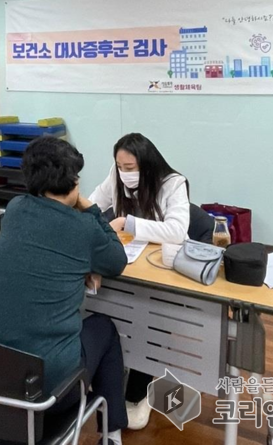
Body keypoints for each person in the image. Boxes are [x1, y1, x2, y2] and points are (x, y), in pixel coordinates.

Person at [0, 137, 129, 444]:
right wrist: (92, 210)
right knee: (105, 329)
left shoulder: (16, 208)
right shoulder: (83, 228)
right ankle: (111, 434)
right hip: (47, 390)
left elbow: (42, 253)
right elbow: (116, 261)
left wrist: (78, 264)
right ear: (73, 183)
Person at [89, 132, 190, 431]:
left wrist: (127, 222)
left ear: (147, 164)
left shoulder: (173, 183)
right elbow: (94, 203)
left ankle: (138, 391)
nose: (124, 173)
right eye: (120, 166)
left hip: (162, 267)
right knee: (108, 307)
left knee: (147, 318)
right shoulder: (116, 175)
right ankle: (115, 368)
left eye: (130, 167)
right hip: (129, 262)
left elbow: (177, 231)